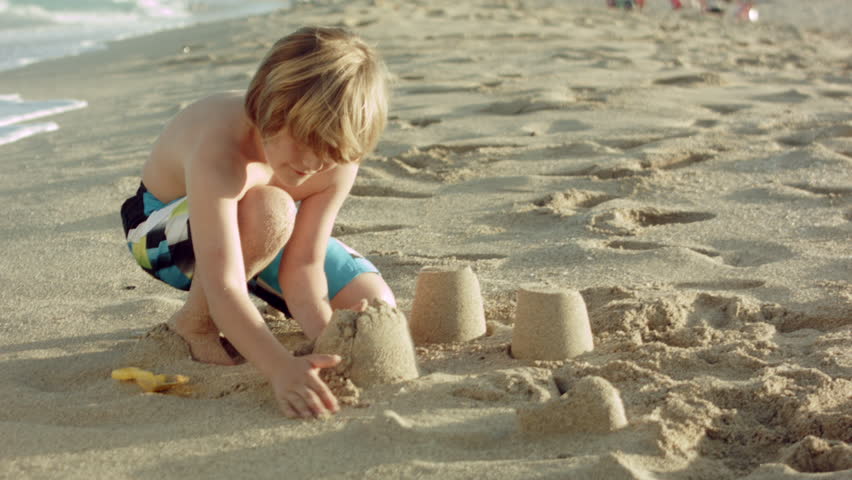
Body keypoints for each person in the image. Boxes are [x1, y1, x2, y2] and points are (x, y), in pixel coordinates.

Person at [119, 26, 395, 419]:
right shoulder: (222, 148)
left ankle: (261, 273)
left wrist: (326, 340)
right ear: (270, 112)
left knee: (370, 308)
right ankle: (193, 324)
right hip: (164, 234)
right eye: (305, 144)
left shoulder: (337, 156)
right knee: (270, 208)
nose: (313, 165)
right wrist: (280, 367)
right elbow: (223, 282)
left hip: (266, 231)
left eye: (330, 155)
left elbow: (304, 266)